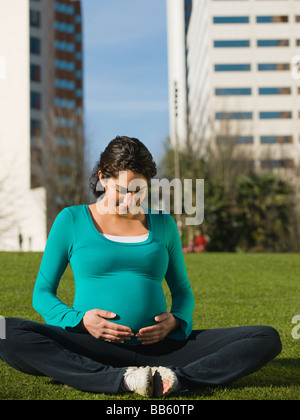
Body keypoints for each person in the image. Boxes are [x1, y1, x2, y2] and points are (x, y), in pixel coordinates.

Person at [0, 136, 282, 397]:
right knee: (4, 331)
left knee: (265, 337)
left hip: (162, 350)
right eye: (122, 191)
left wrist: (176, 321)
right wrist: (81, 320)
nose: (130, 200)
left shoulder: (164, 225)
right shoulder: (71, 220)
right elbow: (42, 293)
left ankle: (175, 378)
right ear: (102, 179)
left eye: (139, 191)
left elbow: (182, 291)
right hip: (90, 346)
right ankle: (121, 379)